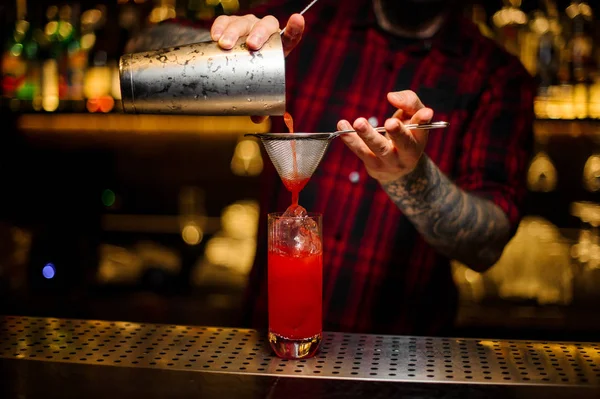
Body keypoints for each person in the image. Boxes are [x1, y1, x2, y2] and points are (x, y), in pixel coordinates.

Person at [131, 0, 535, 336]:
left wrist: (413, 180)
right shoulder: (300, 22)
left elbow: (488, 243)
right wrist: (229, 48)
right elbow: (142, 49)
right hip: (272, 353)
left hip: (403, 365)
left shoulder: (497, 76)